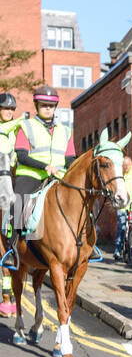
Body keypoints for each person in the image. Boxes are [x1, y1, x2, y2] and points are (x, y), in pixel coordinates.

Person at [5, 83, 76, 267]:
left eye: (51, 106)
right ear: (37, 106)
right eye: (44, 105)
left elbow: (70, 159)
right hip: (30, 176)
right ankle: (11, 250)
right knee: (17, 204)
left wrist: (61, 170)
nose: (47, 109)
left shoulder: (66, 131)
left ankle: (86, 246)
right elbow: (21, 155)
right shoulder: (26, 126)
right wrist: (45, 167)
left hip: (58, 178)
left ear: (55, 107)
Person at [0, 92, 18, 314]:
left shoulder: (17, 131)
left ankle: (8, 295)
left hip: (12, 184)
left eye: (12, 109)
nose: (9, 112)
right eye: (5, 108)